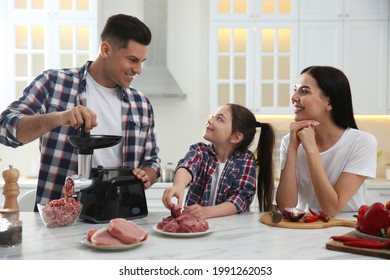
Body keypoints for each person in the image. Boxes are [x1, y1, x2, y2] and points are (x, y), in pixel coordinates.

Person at [0, 14, 161, 209]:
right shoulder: (54, 83)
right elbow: (5, 128)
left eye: (142, 61)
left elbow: (152, 162)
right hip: (58, 218)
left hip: (118, 215)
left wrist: (147, 175)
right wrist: (58, 118)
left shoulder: (141, 104)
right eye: (132, 60)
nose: (138, 69)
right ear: (105, 49)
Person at [275, 66, 377, 216]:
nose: (294, 97)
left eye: (304, 91)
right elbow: (286, 207)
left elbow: (331, 209)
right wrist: (292, 148)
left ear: (329, 103)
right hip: (305, 228)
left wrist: (311, 149)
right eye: (295, 90)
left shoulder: (362, 142)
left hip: (345, 228)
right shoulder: (289, 141)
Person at [162, 103, 275, 220]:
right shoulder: (200, 150)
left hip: (228, 230)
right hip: (195, 225)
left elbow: (239, 199)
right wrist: (178, 186)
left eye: (219, 119)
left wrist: (206, 212)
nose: (210, 120)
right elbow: (187, 166)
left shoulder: (246, 160)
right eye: (213, 116)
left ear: (236, 137)